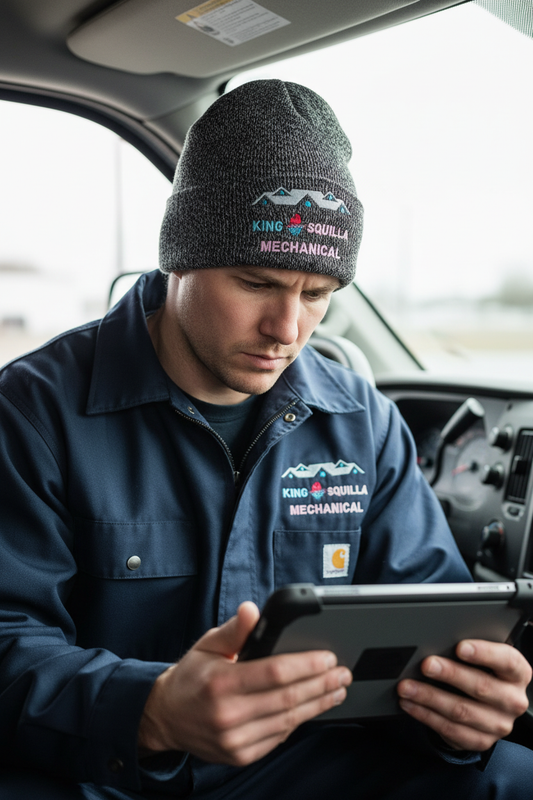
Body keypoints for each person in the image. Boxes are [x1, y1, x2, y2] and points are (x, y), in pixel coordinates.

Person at [0, 79, 532, 800]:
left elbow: (425, 614)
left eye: (316, 295)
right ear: (179, 258)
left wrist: (456, 707)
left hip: (296, 764)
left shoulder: (359, 422)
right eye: (256, 283)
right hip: (103, 769)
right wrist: (150, 710)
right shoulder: (33, 410)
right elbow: (9, 640)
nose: (288, 329)